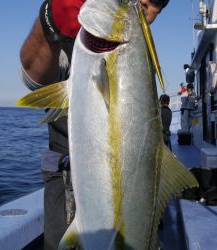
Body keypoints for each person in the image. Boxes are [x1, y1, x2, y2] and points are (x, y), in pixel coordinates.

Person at [20, 0, 171, 249]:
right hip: (69, 196)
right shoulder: (77, 42)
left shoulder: (139, 51)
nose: (144, 1)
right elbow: (32, 76)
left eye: (159, 0)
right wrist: (50, 21)